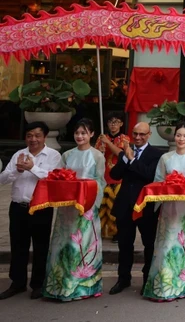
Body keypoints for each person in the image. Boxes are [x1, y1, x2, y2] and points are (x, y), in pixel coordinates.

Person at [143, 122, 185, 301]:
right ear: (174, 137)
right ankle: (167, 283)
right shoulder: (166, 158)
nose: (181, 139)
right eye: (178, 135)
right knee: (168, 245)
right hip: (170, 209)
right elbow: (158, 181)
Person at [41, 119, 105, 301]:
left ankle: (84, 287)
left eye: (84, 133)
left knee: (83, 245)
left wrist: (92, 202)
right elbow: (58, 177)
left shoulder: (97, 156)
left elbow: (100, 181)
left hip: (87, 207)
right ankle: (60, 284)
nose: (80, 136)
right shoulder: (67, 155)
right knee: (64, 244)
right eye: (77, 133)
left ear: (91, 134)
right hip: (67, 207)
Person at [0, 122, 62, 300]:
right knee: (18, 245)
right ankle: (17, 283)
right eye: (29, 135)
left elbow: (52, 178)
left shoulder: (53, 155)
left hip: (41, 208)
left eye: (37, 135)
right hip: (18, 207)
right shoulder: (19, 154)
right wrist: (18, 170)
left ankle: (38, 284)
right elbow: (3, 179)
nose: (33, 139)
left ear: (45, 137)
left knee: (41, 246)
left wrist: (32, 168)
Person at [109, 122, 163, 295]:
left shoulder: (156, 154)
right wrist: (125, 158)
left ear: (149, 135)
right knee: (125, 244)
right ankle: (123, 278)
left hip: (145, 206)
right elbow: (114, 175)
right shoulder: (126, 151)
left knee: (149, 244)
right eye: (135, 134)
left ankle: (147, 279)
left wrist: (132, 159)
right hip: (125, 204)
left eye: (142, 134)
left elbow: (149, 174)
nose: (138, 138)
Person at [95, 111, 130, 241]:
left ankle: (116, 231)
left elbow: (121, 154)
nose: (113, 125)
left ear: (121, 123)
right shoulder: (101, 138)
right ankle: (102, 230)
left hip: (118, 176)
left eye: (116, 122)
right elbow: (95, 155)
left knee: (116, 205)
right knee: (102, 204)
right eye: (110, 122)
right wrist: (100, 150)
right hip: (103, 174)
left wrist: (108, 143)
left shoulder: (125, 139)